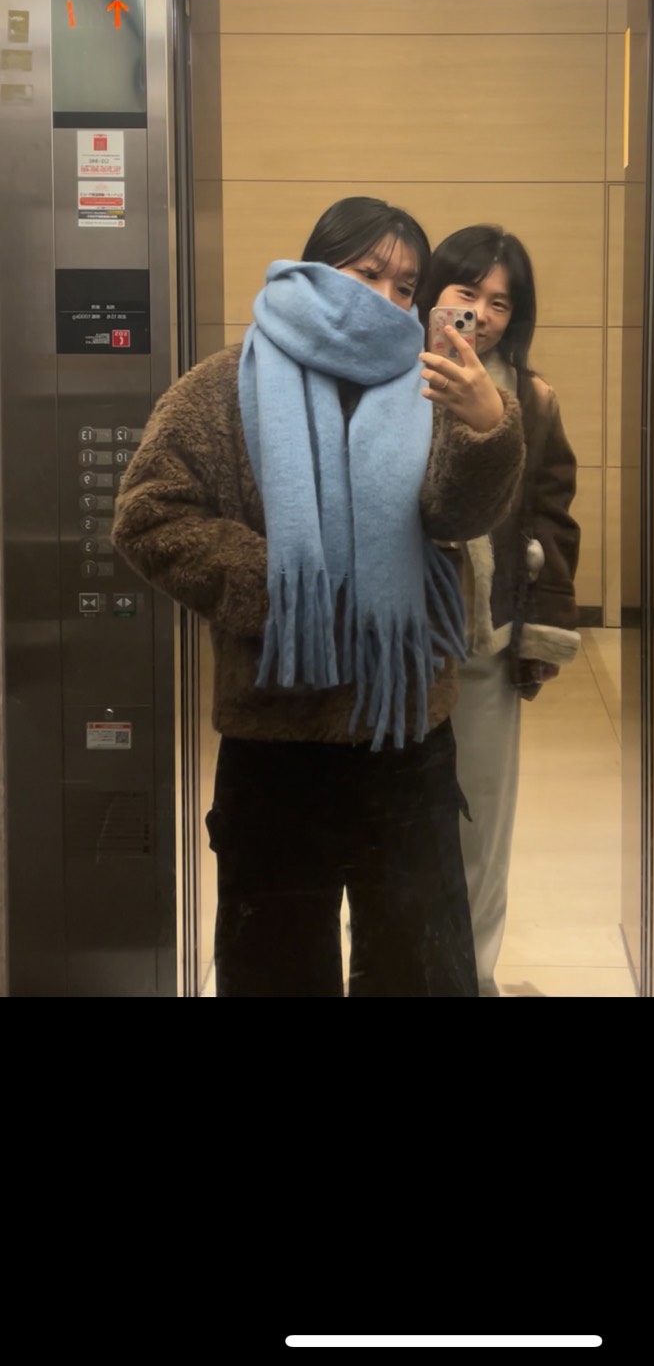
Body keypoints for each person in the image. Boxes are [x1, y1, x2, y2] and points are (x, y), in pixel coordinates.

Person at [111, 197, 524, 997]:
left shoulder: (427, 381)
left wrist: (484, 429)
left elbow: (455, 516)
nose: (387, 299)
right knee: (277, 967)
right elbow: (149, 514)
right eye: (368, 274)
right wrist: (287, 593)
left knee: (418, 966)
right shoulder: (223, 383)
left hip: (404, 722)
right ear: (313, 267)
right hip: (277, 728)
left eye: (405, 287)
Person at [418, 226, 581, 997]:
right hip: (395, 646)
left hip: (484, 639)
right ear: (433, 293)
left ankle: (472, 977)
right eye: (466, 292)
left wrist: (543, 629)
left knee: (479, 825)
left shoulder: (532, 399)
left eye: (500, 303)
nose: (479, 315)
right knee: (388, 825)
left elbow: (551, 515)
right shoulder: (387, 380)